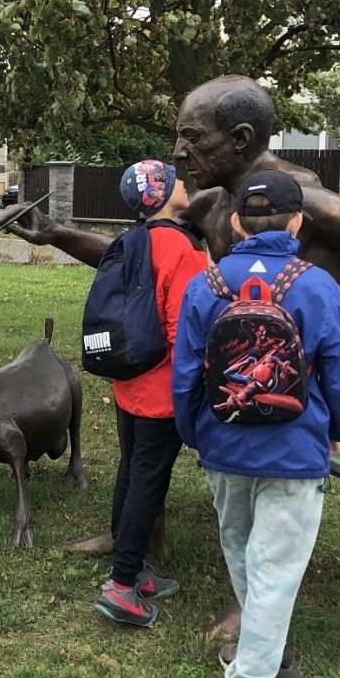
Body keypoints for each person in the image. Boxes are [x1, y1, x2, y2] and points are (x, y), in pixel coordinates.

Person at [0, 75, 340, 583]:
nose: (178, 151)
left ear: (241, 139)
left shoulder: (303, 203)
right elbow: (141, 253)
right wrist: (56, 233)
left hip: (315, 381)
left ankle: (249, 596)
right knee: (142, 397)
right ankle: (139, 534)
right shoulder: (212, 204)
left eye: (192, 136)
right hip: (243, 366)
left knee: (229, 418)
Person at [172, 170, 340, 678]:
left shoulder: (205, 284)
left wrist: (196, 434)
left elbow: (186, 376)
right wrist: (339, 430)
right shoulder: (319, 288)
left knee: (243, 553)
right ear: (297, 223)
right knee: (276, 571)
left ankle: (267, 655)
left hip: (223, 443)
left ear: (236, 223)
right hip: (295, 449)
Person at [93, 161, 209, 627]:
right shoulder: (181, 248)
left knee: (131, 470)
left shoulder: (133, 240)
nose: (184, 183)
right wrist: (194, 390)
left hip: (129, 379)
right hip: (164, 389)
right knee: (148, 481)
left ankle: (133, 566)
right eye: (175, 179)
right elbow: (188, 328)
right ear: (161, 193)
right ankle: (122, 586)